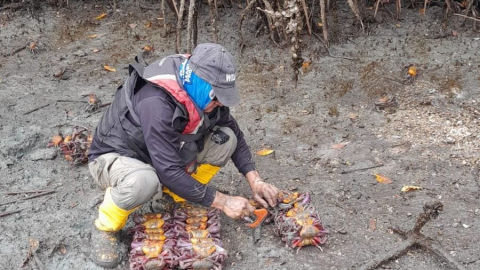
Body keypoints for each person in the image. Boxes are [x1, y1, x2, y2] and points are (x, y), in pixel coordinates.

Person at [87, 43, 280, 268]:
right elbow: (168, 171)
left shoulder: (200, 90)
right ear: (199, 82)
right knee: (144, 181)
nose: (219, 102)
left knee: (226, 139)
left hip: (160, 153)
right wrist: (223, 201)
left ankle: (173, 198)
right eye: (216, 96)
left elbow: (234, 133)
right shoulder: (157, 102)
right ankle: (105, 227)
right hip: (116, 157)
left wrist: (255, 181)